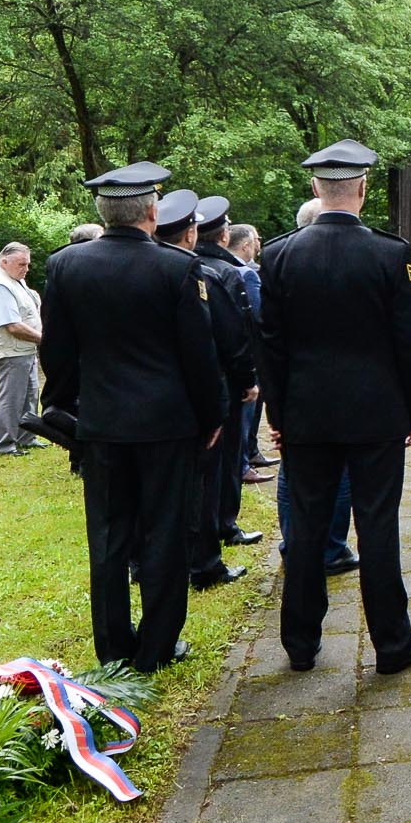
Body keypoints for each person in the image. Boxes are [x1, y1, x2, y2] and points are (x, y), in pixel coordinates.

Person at [39, 161, 225, 672]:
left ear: (104, 211)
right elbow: (198, 354)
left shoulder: (66, 266)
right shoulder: (177, 267)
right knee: (164, 533)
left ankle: (113, 646)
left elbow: (57, 352)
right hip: (167, 425)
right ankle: (158, 645)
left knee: (108, 537)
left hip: (101, 423)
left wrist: (62, 406)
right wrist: (213, 416)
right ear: (151, 210)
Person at [257, 139, 411, 675]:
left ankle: (300, 643)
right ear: (362, 188)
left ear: (315, 188)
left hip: (307, 414)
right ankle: (392, 645)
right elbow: (408, 342)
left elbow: (271, 345)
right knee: (378, 526)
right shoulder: (388, 252)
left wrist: (278, 416)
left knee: (305, 527)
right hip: (376, 414)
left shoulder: (279, 254)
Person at [153, 191, 252, 590]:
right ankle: (206, 562)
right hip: (199, 393)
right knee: (206, 482)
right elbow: (225, 340)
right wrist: (242, 384)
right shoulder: (202, 274)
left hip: (151, 399)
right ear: (191, 233)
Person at [270, 197, 359, 575]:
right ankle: (331, 548)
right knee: (336, 475)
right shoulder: (353, 261)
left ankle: (295, 543)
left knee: (292, 476)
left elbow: (269, 340)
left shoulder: (278, 262)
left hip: (296, 394)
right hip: (340, 394)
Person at [194, 195, 262, 548]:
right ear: (223, 237)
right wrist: (248, 380)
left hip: (197, 381)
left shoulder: (188, 266)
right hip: (224, 383)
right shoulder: (225, 273)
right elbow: (236, 334)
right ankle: (225, 525)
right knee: (227, 454)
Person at [0, 242, 43, 456]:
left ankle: (26, 437)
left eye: (27, 264)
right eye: (21, 264)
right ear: (4, 262)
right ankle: (3, 445)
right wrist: (44, 339)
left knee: (29, 394)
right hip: (11, 350)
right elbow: (12, 325)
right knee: (11, 398)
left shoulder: (14, 279)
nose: (26, 269)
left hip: (24, 348)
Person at [227, 222, 274, 482]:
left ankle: (249, 454)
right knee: (245, 413)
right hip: (248, 352)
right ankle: (243, 463)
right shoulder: (247, 274)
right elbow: (259, 315)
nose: (259, 243)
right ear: (245, 245)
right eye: (256, 239)